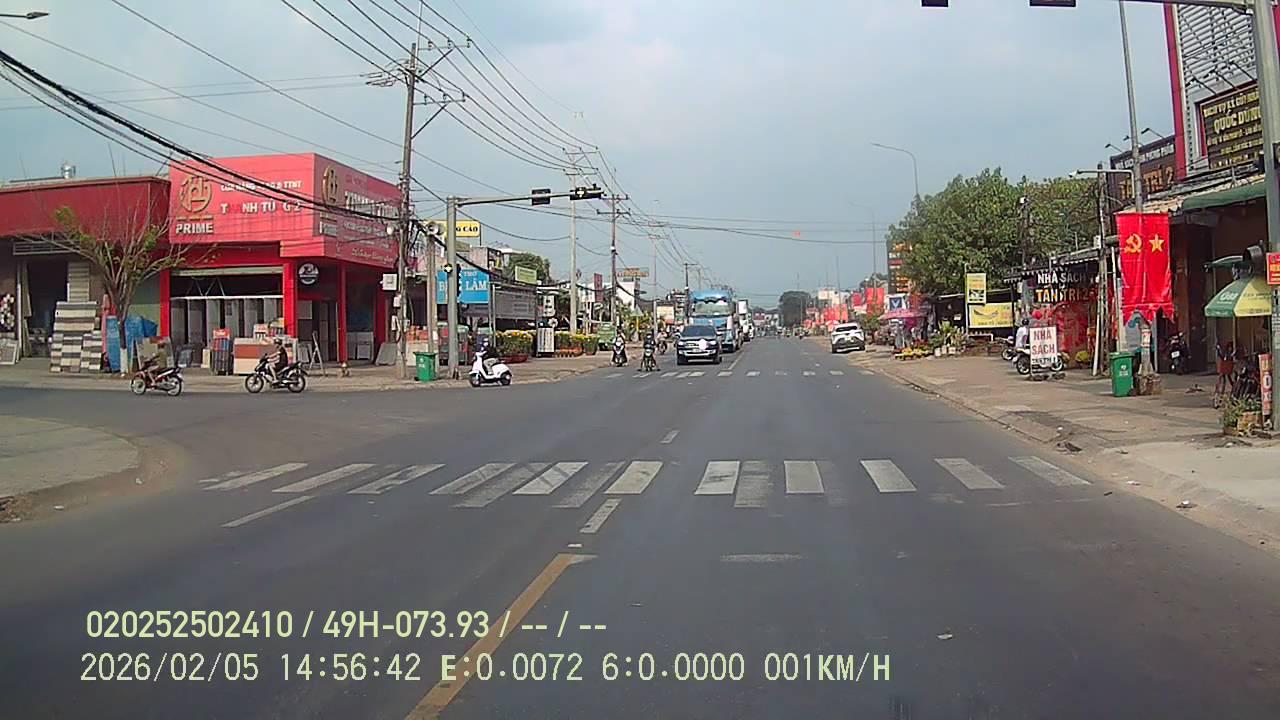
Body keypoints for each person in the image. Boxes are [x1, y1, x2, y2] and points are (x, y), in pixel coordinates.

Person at [1214, 340, 1235, 406]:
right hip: (1225, 367)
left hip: (1225, 367)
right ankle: (1219, 397)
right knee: (1222, 380)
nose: (1230, 349)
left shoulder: (1227, 354)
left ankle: (1221, 397)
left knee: (1224, 380)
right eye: (1229, 347)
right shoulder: (1226, 353)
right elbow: (1222, 356)